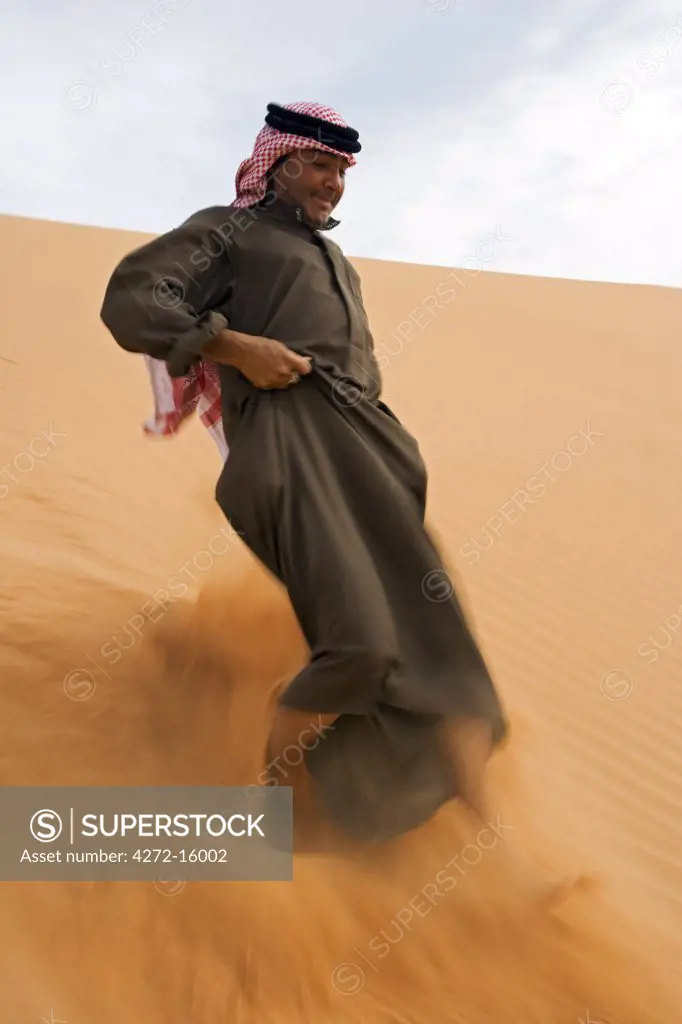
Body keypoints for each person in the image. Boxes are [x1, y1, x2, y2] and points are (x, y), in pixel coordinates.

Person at [100, 100, 508, 844]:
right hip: (290, 447)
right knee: (361, 648)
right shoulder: (232, 232)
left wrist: (396, 450)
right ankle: (264, 824)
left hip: (374, 459)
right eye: (319, 164)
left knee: (457, 679)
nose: (333, 182)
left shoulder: (337, 262)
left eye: (342, 170)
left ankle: (504, 863)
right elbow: (132, 297)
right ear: (279, 163)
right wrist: (234, 347)